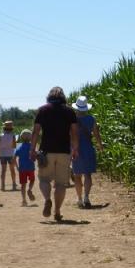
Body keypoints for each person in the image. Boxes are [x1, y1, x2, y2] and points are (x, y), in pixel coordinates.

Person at [30, 86, 79, 221]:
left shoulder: (43, 110)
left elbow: (36, 131)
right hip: (64, 151)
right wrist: (75, 148)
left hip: (46, 151)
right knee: (61, 184)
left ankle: (47, 199)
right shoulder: (69, 111)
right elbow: (74, 131)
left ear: (49, 96)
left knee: (44, 179)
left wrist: (32, 149)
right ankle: (57, 212)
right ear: (63, 97)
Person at [71, 96, 103, 209]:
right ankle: (86, 197)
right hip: (88, 148)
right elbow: (96, 134)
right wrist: (100, 146)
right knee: (87, 175)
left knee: (77, 175)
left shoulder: (72, 120)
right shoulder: (91, 119)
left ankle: (79, 199)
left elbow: (69, 135)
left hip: (76, 149)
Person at [14, 129, 36, 206]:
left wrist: (17, 166)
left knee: (23, 185)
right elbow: (35, 156)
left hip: (22, 168)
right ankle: (29, 189)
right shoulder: (32, 147)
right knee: (32, 180)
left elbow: (14, 157)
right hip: (31, 167)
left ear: (21, 137)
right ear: (30, 138)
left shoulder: (19, 147)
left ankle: (24, 200)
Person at [0, 120, 18, 191]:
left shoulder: (0, 136)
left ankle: (2, 185)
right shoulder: (13, 136)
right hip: (10, 154)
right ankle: (14, 184)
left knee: (3, 171)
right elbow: (15, 146)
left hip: (2, 154)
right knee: (12, 170)